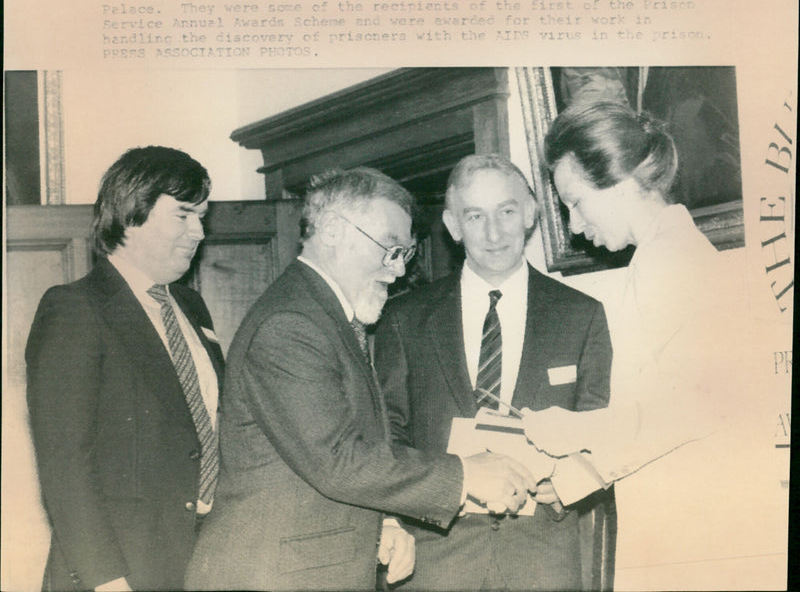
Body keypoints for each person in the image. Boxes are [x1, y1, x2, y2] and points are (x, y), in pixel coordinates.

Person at [185, 167, 538, 592]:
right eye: (389, 249)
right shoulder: (292, 323)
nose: (397, 271)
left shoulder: (325, 315)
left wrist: (383, 522)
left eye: (404, 254)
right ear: (333, 230)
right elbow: (336, 460)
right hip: (274, 575)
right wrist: (467, 475)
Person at [522, 100, 764, 589]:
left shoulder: (670, 261)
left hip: (692, 522)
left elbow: (698, 407)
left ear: (620, 181)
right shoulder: (662, 254)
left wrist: (576, 437)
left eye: (575, 201)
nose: (572, 225)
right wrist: (579, 465)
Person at [373, 154, 615, 591]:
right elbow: (387, 435)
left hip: (543, 560)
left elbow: (599, 430)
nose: (493, 232)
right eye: (475, 215)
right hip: (436, 561)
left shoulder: (581, 315)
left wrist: (569, 482)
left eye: (506, 211)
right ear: (452, 225)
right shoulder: (403, 319)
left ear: (530, 213)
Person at [25, 146, 224, 591]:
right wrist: (106, 579)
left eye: (202, 217)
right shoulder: (75, 307)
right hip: (117, 570)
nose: (198, 232)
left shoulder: (191, 305)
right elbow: (64, 463)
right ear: (132, 212)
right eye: (183, 215)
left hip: (197, 560)